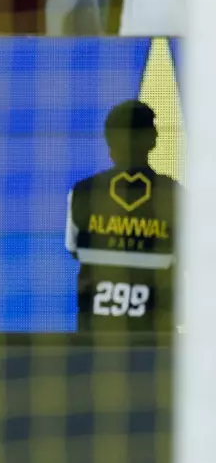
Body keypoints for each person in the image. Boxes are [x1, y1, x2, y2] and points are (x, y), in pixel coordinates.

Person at [65, 100, 177, 333]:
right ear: (153, 140)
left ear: (110, 142)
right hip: (157, 340)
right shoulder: (175, 196)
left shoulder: (83, 193)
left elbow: (73, 248)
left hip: (94, 336)